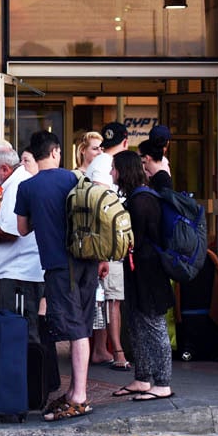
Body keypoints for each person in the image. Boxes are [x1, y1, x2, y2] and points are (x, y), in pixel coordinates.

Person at [15, 130, 98, 422]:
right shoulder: (74, 178)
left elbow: (22, 229)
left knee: (74, 329)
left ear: (35, 155)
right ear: (55, 152)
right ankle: (77, 389)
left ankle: (79, 396)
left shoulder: (27, 187)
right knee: (84, 325)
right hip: (87, 260)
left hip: (59, 265)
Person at [110, 150, 173, 400]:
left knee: (153, 325)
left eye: (114, 168)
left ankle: (163, 382)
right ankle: (142, 378)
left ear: (123, 171)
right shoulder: (137, 197)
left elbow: (137, 239)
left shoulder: (141, 200)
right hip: (139, 272)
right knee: (137, 325)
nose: (110, 172)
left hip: (149, 273)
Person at [0, 142, 43, 338]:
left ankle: (22, 369)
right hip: (17, 271)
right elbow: (11, 222)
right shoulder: (17, 183)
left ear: (4, 168)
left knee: (19, 333)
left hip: (18, 273)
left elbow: (10, 232)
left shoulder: (17, 187)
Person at [84, 123, 130, 371]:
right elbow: (101, 203)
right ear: (125, 142)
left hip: (104, 242)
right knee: (113, 298)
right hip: (108, 243)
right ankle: (118, 351)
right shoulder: (105, 164)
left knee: (104, 298)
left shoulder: (98, 162)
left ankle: (101, 350)